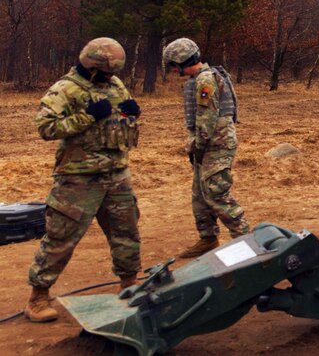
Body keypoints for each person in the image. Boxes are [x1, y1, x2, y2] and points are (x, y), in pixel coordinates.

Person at [25, 37, 142, 323]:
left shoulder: (114, 85)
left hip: (116, 172)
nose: (112, 77)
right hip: (79, 178)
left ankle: (129, 284)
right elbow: (45, 127)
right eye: (106, 71)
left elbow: (120, 119)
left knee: (125, 232)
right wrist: (86, 116)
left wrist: (130, 114)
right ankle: (38, 296)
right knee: (61, 237)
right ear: (92, 66)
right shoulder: (64, 89)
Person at [162, 37, 249, 258]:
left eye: (173, 65)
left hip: (215, 144)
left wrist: (198, 145)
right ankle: (208, 238)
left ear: (181, 61)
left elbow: (207, 118)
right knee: (200, 195)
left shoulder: (205, 81)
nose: (172, 70)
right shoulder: (199, 79)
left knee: (216, 192)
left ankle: (246, 240)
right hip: (207, 145)